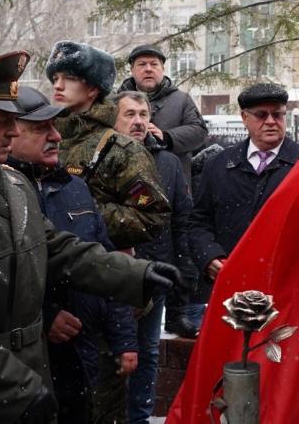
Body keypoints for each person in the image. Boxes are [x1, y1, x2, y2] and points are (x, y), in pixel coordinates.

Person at [0, 50, 181, 424]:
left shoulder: (13, 184)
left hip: (35, 371)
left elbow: (60, 249)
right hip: (2, 385)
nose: (12, 131)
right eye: (0, 121)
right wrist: (14, 388)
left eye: (14, 121)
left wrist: (135, 275)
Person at [45, 40, 172, 423]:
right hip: (52, 295)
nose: (58, 85)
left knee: (100, 402)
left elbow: (152, 215)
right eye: (56, 77)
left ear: (93, 89)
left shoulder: (119, 149)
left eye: (70, 78)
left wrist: (84, 217)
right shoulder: (47, 137)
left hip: (101, 296)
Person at [8, 87, 139, 424]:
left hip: (84, 350)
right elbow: (6, 276)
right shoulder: (2, 193)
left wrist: (125, 338)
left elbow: (99, 258)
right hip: (26, 359)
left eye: (55, 126)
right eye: (41, 129)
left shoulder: (75, 188)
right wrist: (46, 316)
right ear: (11, 131)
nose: (55, 136)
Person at [113, 90, 197, 423]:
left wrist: (182, 272)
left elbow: (182, 220)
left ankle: (139, 417)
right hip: (111, 275)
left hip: (154, 274)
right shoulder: (100, 160)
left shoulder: (168, 162)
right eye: (129, 114)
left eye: (143, 115)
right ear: (113, 118)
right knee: (115, 353)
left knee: (147, 353)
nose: (137, 122)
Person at [189, 83, 299, 323]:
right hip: (231, 283)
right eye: (262, 115)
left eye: (278, 114)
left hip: (286, 285)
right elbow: (199, 222)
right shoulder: (218, 164)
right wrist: (210, 257)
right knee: (232, 357)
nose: (271, 121)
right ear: (244, 118)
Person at [119, 44, 207, 180]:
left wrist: (167, 138)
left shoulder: (182, 100)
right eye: (142, 64)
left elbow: (200, 131)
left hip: (172, 182)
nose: (148, 69)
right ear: (132, 70)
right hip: (125, 180)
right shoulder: (116, 101)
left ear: (163, 69)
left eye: (154, 64)